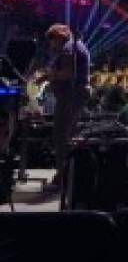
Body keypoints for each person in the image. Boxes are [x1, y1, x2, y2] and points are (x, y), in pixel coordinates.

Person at [44, 24, 90, 190]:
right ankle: (67, 175)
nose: (51, 45)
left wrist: (50, 75)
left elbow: (68, 73)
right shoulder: (73, 46)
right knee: (68, 135)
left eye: (52, 40)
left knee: (61, 136)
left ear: (58, 37)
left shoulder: (69, 48)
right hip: (73, 96)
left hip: (70, 97)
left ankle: (62, 178)